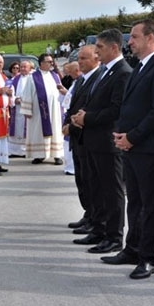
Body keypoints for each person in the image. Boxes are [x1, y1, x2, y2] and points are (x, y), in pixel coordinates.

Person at [104, 19, 154, 279]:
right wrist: (123, 134)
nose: (129, 42)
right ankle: (132, 249)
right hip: (133, 145)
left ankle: (148, 257)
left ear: (150, 38)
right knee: (134, 202)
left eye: (134, 37)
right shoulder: (141, 65)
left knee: (150, 205)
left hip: (150, 147)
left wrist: (132, 137)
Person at [73, 29, 132, 255]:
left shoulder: (123, 72)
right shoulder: (107, 72)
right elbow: (96, 102)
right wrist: (82, 115)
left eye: (100, 48)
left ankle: (114, 236)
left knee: (112, 191)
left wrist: (87, 117)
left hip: (108, 143)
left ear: (114, 48)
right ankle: (99, 230)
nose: (96, 52)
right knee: (97, 188)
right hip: (94, 140)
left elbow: (116, 110)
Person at [63, 46, 101, 239]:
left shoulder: (98, 78)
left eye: (84, 58)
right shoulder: (81, 80)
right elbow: (72, 106)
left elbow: (88, 109)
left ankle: (94, 218)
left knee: (90, 181)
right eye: (79, 58)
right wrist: (66, 123)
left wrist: (73, 126)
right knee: (82, 180)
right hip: (77, 138)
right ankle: (88, 213)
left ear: (96, 58)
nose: (81, 62)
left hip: (86, 136)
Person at [20, 53, 65, 165]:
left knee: (55, 130)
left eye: (51, 62)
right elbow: (27, 94)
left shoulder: (55, 76)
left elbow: (60, 91)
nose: (51, 64)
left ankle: (56, 155)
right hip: (38, 112)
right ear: (41, 63)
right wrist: (27, 110)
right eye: (48, 62)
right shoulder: (32, 77)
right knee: (38, 132)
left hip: (54, 110)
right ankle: (39, 155)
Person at [7, 60, 32, 157]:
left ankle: (26, 151)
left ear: (30, 68)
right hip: (17, 109)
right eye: (21, 67)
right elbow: (10, 92)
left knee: (28, 129)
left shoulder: (33, 79)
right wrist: (14, 99)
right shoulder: (15, 79)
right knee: (17, 128)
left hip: (29, 109)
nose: (22, 69)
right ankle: (15, 151)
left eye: (25, 67)